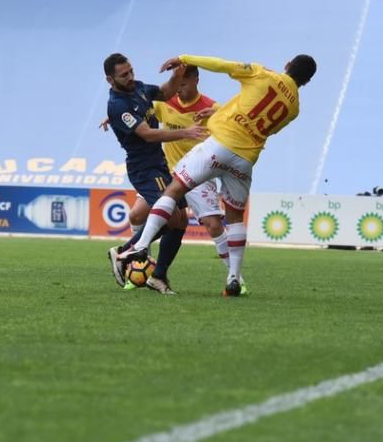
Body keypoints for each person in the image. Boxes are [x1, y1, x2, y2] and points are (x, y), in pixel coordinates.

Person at [117, 53, 317, 297]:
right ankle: (233, 277)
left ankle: (139, 247)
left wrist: (185, 57)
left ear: (286, 65)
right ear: (306, 83)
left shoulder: (262, 74)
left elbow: (222, 66)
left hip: (219, 145)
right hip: (245, 159)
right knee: (234, 217)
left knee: (174, 189)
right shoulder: (294, 108)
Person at [103, 53, 206, 295]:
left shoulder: (138, 88)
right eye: (124, 75)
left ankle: (158, 276)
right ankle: (124, 252)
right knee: (170, 218)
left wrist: (176, 76)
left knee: (180, 220)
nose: (130, 77)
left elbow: (165, 93)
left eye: (131, 71)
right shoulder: (118, 105)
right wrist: (186, 133)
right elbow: (147, 134)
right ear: (110, 80)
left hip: (159, 163)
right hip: (144, 168)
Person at [151, 66, 247, 292]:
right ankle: (136, 264)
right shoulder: (164, 103)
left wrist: (217, 117)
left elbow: (236, 127)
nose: (179, 89)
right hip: (169, 172)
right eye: (176, 84)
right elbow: (141, 115)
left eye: (183, 84)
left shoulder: (212, 107)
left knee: (214, 225)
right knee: (138, 215)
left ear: (196, 79)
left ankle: (235, 278)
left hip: (199, 172)